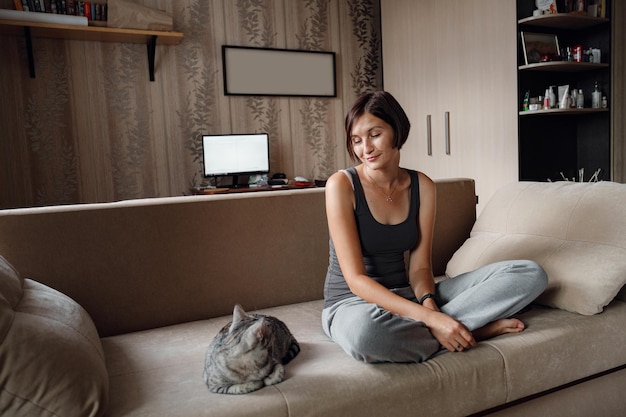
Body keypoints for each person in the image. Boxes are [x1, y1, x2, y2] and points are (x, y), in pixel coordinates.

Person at [322, 91, 547, 363]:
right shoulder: (341, 185)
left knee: (529, 274)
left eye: (375, 134)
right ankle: (474, 330)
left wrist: (430, 306)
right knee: (367, 336)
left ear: (397, 131)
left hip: (407, 293)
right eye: (356, 140)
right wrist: (431, 318)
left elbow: (419, 268)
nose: (365, 148)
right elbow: (356, 280)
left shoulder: (422, 186)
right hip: (352, 304)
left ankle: (450, 330)